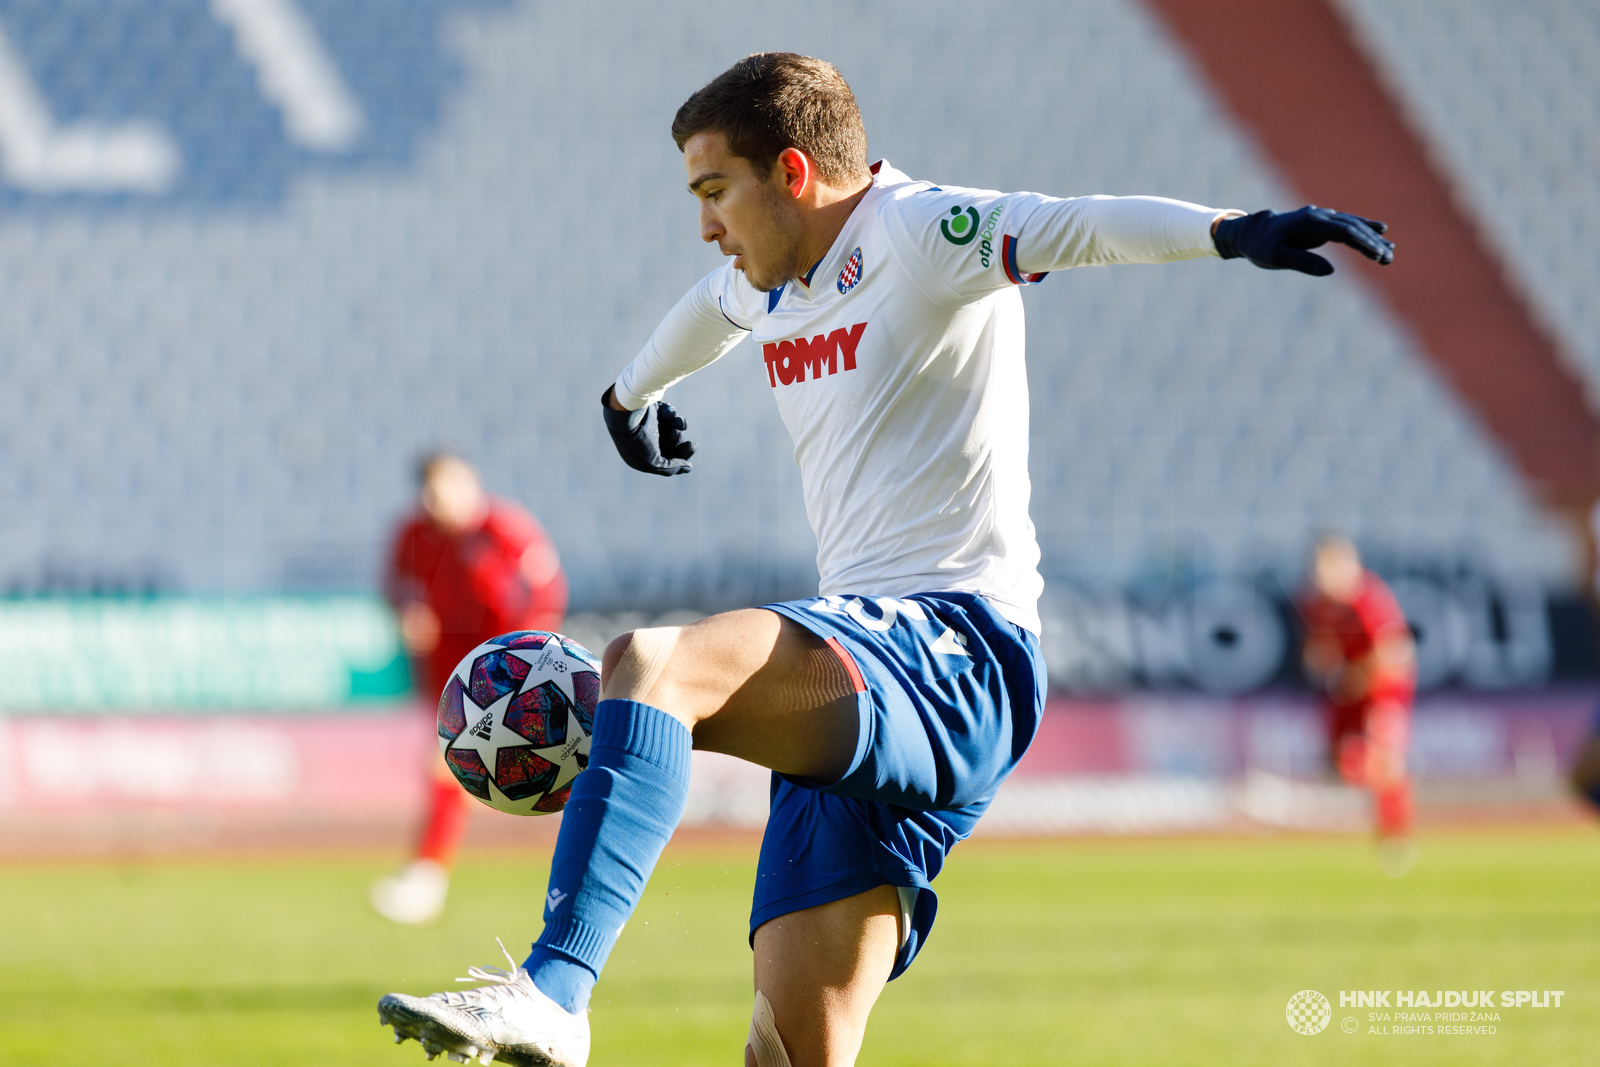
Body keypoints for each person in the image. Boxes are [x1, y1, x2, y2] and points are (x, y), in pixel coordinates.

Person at [377, 53, 1394, 1067]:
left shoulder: (919, 232)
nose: (705, 224)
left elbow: (1077, 223)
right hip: (863, 684)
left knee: (651, 662)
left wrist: (1234, 233)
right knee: (791, 1053)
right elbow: (709, 308)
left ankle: (555, 990)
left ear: (792, 172)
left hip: (957, 647)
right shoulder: (766, 279)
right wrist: (627, 396)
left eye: (712, 190)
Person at [369, 452, 567, 924]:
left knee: (455, 766)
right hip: (447, 673)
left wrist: (525, 664)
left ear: (470, 485)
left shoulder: (506, 531)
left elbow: (545, 594)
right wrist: (407, 614)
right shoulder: (413, 534)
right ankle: (427, 878)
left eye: (447, 491)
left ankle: (426, 877)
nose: (440, 504)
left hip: (505, 674)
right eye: (431, 495)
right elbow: (396, 588)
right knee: (456, 769)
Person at [1297, 535, 1418, 876]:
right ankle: (1339, 822)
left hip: (1383, 688)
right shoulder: (1318, 603)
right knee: (1337, 759)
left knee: (1384, 763)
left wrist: (1359, 677)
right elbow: (1319, 642)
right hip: (1348, 687)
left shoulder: (1368, 599)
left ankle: (1395, 840)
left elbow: (1394, 653)